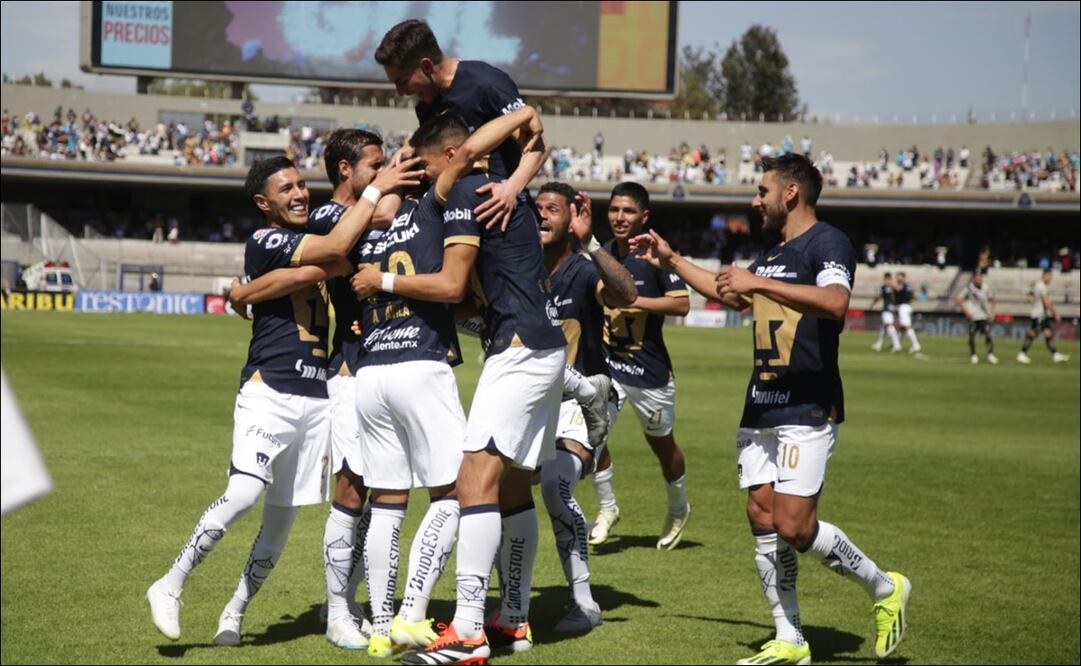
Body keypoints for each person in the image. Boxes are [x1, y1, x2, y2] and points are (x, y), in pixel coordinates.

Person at [632, 153, 911, 664]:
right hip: (760, 405)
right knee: (761, 515)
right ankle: (790, 637)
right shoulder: (773, 251)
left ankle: (885, 586)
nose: (754, 199)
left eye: (762, 191)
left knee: (796, 527)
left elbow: (834, 303)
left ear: (790, 193)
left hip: (808, 405)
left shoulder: (828, 243)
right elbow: (731, 295)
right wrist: (671, 260)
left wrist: (757, 282)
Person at [146, 155, 420, 645]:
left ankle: (235, 610)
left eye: (300, 184)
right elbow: (333, 254)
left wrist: (247, 293)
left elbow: (336, 260)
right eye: (285, 189)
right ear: (262, 203)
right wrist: (247, 293)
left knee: (280, 524)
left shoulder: (308, 233)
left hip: (316, 397)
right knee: (244, 493)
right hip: (268, 388)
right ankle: (171, 583)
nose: (298, 194)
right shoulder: (265, 238)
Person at [351, 109, 563, 665]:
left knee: (471, 482)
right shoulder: (482, 192)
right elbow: (469, 298)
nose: (420, 176)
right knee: (512, 489)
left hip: (519, 348)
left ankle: (467, 633)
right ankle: (512, 620)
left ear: (448, 157)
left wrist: (384, 281)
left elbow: (448, 285)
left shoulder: (468, 187)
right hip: (533, 343)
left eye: (423, 164)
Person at [228, 130, 415, 649]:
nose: (381, 174)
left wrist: (242, 289)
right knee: (353, 488)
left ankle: (366, 603)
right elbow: (372, 220)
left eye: (384, 165)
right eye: (372, 166)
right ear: (344, 173)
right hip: (352, 369)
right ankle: (340, 611)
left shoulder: (371, 208)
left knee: (392, 492)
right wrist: (399, 181)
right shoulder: (333, 217)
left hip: (403, 359)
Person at [535, 182, 637, 633]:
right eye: (537, 208)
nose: (542, 216)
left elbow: (626, 294)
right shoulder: (520, 269)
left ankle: (583, 603)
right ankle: (511, 606)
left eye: (552, 209)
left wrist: (591, 242)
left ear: (570, 217)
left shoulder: (580, 269)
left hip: (587, 397)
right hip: (533, 399)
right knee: (497, 493)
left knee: (557, 483)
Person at [588, 182, 691, 551]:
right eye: (614, 209)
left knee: (662, 447)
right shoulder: (600, 254)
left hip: (650, 375)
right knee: (590, 438)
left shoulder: (655, 255)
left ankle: (679, 508)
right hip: (610, 368)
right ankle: (607, 509)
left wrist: (636, 302)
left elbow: (682, 305)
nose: (619, 217)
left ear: (643, 216)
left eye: (628, 211)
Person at [1017, 269, 1070, 364]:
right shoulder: (1042, 287)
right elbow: (1046, 302)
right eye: (1050, 276)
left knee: (1047, 333)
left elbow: (1029, 295)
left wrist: (1032, 301)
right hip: (1039, 314)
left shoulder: (1037, 285)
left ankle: (1055, 355)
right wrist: (1055, 313)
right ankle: (1022, 354)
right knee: (1033, 334)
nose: (1050, 279)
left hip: (1040, 314)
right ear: (1045, 275)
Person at [956, 271, 998, 365]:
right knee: (972, 336)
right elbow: (958, 299)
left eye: (981, 279)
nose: (980, 281)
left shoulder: (986, 287)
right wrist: (966, 311)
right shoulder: (969, 288)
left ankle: (990, 354)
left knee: (988, 334)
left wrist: (991, 311)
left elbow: (993, 299)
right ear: (974, 279)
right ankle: (973, 355)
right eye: (978, 279)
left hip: (983, 316)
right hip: (973, 316)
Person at [869, 272, 901, 352]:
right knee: (884, 327)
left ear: (886, 278)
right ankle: (879, 344)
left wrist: (873, 303)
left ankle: (897, 345)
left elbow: (878, 296)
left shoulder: (884, 287)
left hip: (887, 309)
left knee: (889, 326)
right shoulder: (893, 286)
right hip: (893, 308)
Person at [894, 272, 921, 353]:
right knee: (899, 326)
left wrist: (890, 283)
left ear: (903, 277)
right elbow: (914, 296)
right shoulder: (910, 286)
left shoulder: (902, 285)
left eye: (899, 277)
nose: (897, 278)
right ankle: (897, 344)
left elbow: (899, 289)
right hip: (907, 306)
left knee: (906, 326)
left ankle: (916, 344)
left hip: (903, 307)